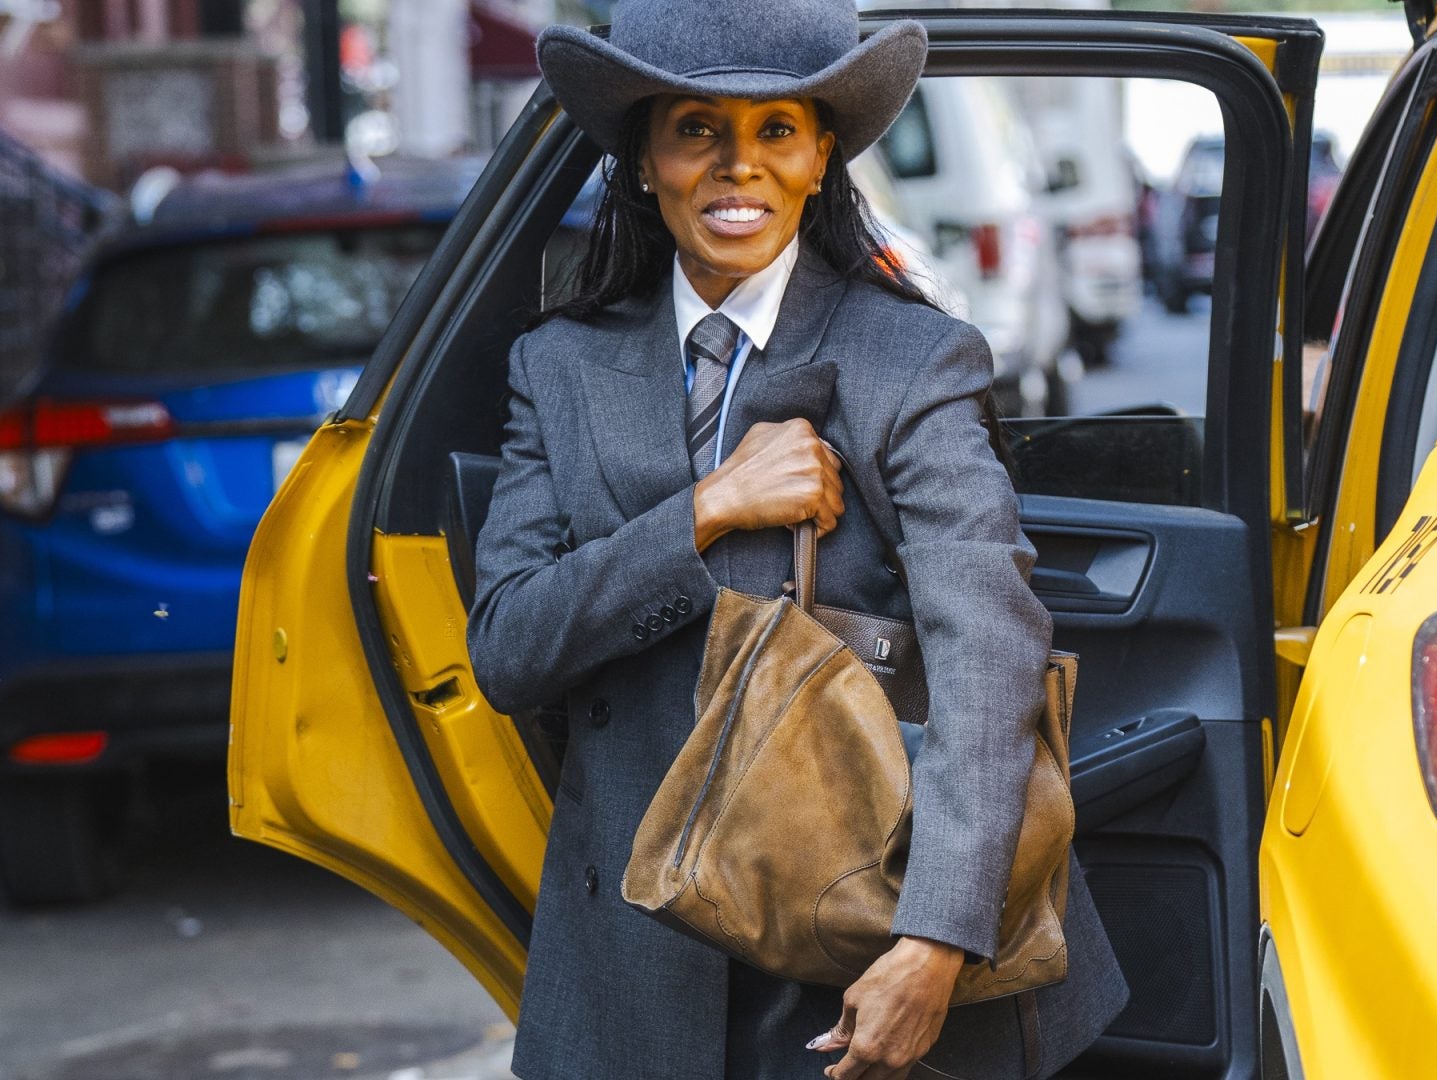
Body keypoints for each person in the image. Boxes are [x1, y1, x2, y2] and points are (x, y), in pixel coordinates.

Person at [467, 2, 1128, 1077]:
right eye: (697, 130)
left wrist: (937, 939)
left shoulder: (911, 360)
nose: (739, 168)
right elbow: (508, 648)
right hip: (630, 974)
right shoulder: (560, 369)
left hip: (860, 946)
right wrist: (704, 511)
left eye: (776, 129)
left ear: (822, 157)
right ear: (644, 158)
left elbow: (987, 655)